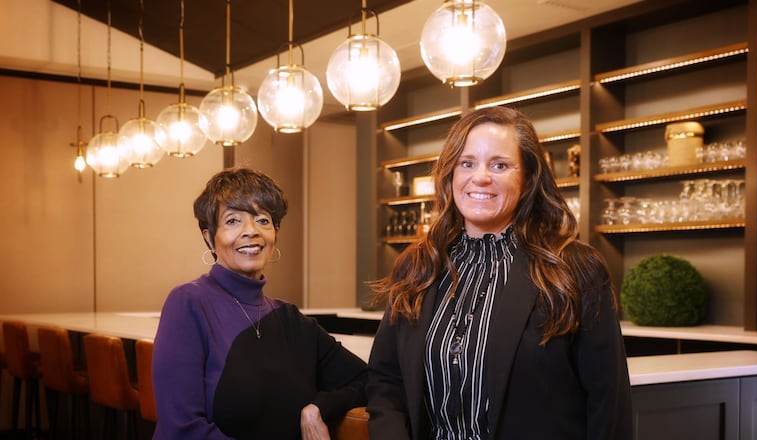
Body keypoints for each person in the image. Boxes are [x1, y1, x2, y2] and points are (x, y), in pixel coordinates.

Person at [366, 106, 632, 440]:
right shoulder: (418, 265)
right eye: (467, 163)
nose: (480, 177)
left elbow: (609, 405)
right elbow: (386, 380)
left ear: (528, 178)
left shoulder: (575, 268)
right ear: (450, 174)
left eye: (500, 165)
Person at [152, 167, 368, 439]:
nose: (251, 231)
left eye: (263, 220)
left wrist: (319, 407)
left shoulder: (292, 321)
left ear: (275, 233)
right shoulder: (188, 303)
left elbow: (368, 380)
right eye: (233, 221)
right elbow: (182, 429)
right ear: (209, 237)